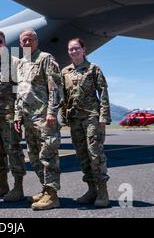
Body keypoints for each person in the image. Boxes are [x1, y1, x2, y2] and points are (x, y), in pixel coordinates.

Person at [13, 29, 63, 211]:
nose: (26, 43)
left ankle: (52, 195)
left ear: (36, 41)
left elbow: (55, 88)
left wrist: (51, 112)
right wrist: (18, 116)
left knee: (47, 155)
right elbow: (20, 93)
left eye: (30, 39)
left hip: (43, 116)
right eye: (23, 40)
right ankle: (45, 189)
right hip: (27, 117)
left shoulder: (45, 58)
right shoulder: (21, 63)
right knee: (34, 156)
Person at [61, 38, 111, 208]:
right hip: (74, 119)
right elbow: (63, 97)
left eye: (76, 48)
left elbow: (103, 93)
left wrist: (103, 118)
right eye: (70, 49)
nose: (73, 52)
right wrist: (63, 117)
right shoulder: (65, 72)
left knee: (95, 154)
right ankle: (91, 190)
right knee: (82, 155)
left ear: (83, 49)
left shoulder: (93, 69)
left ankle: (103, 191)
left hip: (91, 117)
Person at [0, 30, 26, 202]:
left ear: (5, 43)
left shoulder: (16, 63)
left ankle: (18, 188)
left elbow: (21, 91)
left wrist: (18, 115)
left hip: (9, 116)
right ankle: (2, 185)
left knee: (13, 150)